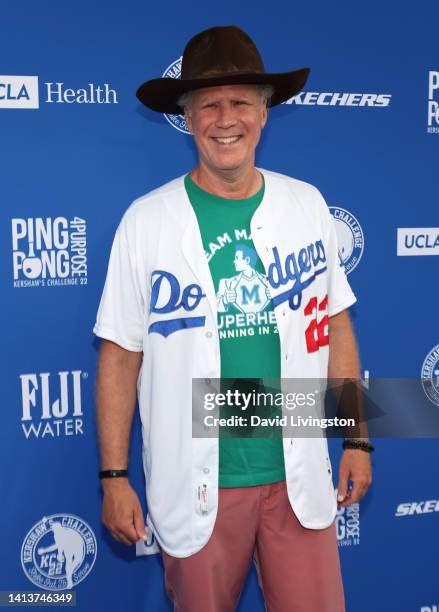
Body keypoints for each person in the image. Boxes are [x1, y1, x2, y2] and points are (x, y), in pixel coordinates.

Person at [93, 25, 373, 612]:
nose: (227, 119)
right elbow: (120, 355)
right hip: (198, 482)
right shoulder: (146, 222)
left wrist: (358, 438)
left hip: (296, 474)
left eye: (242, 102)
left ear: (265, 114)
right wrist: (114, 478)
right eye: (209, 104)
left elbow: (336, 325)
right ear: (187, 116)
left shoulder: (307, 205)